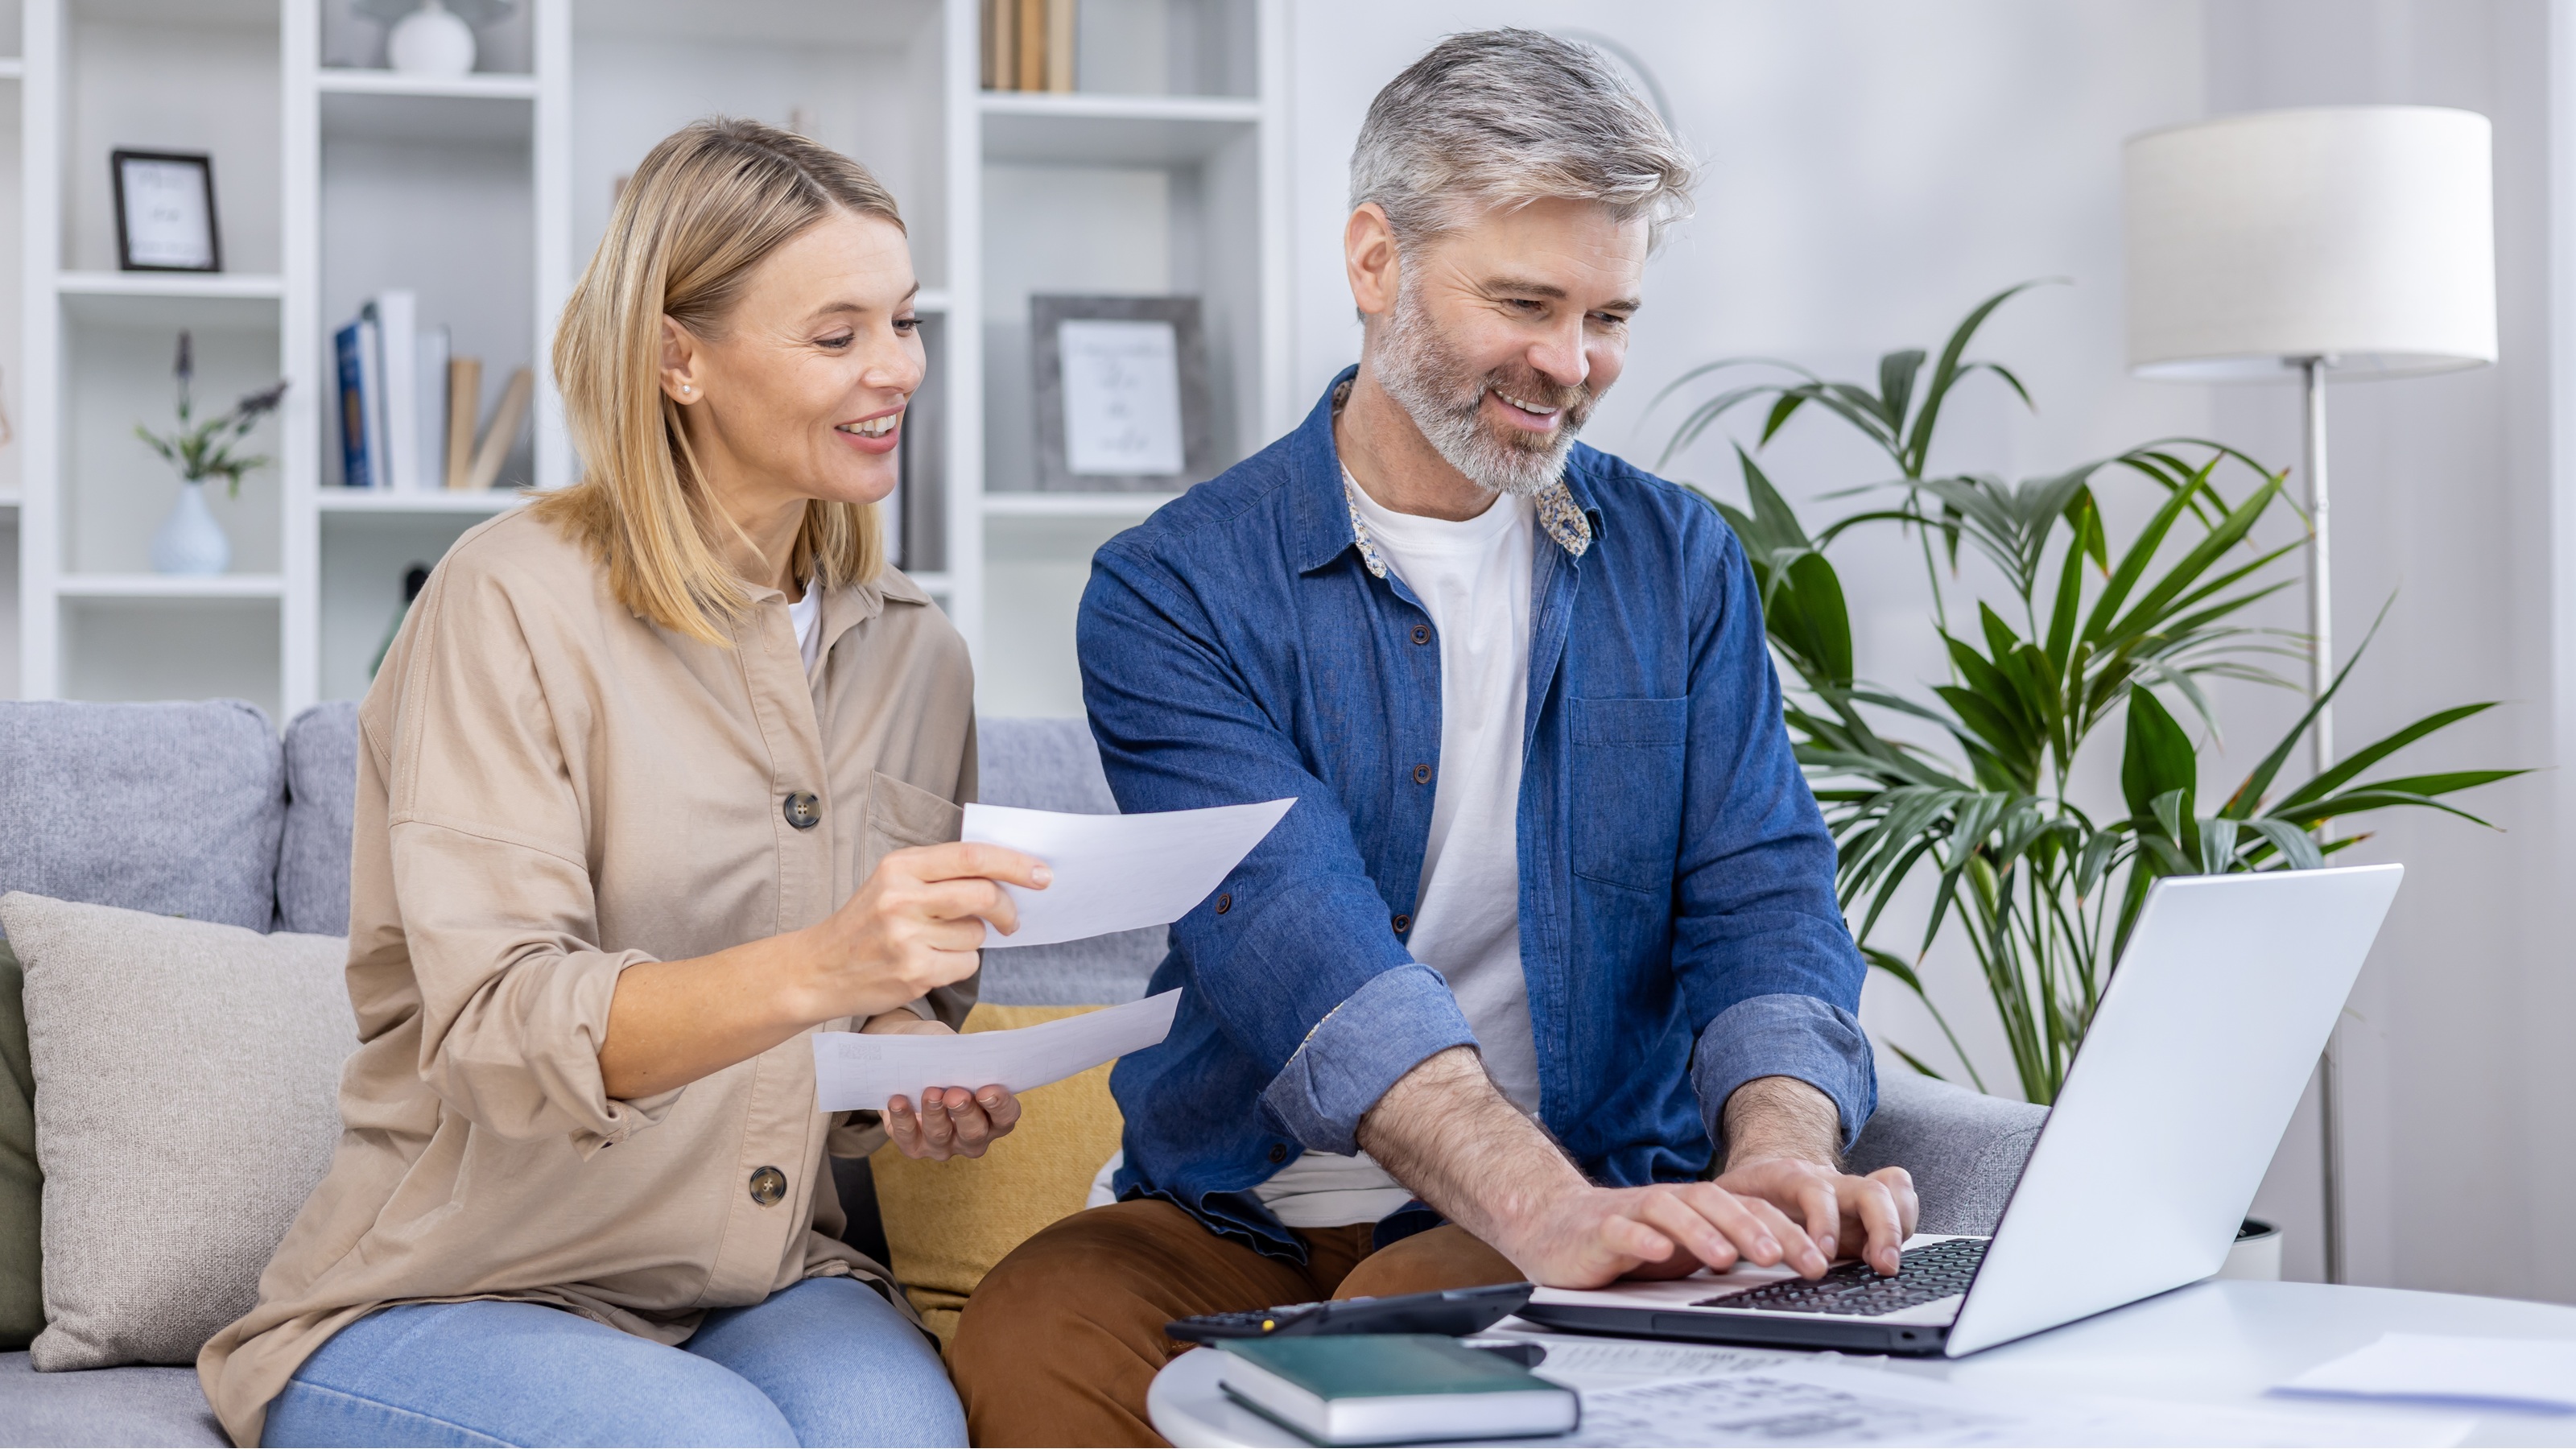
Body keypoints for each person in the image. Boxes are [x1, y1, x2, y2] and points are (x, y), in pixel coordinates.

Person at [950, 30, 1922, 1445]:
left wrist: (1777, 1150)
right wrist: (1546, 1210)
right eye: (1525, 301)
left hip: (1576, 1184)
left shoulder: (1680, 561)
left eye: (1610, 316)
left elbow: (1763, 897)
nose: (1571, 365)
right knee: (1033, 1330)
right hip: (1238, 1203)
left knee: (1414, 1325)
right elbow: (1298, 939)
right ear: (1373, 262)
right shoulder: (1175, 589)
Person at [197, 119, 1048, 1449]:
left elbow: (884, 1010)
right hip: (462, 1274)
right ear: (678, 357)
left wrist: (911, 1066)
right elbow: (499, 1023)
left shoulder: (918, 654)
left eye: (905, 320)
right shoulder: (508, 600)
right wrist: (826, 965)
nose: (898, 371)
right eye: (838, 336)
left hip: (755, 1269)